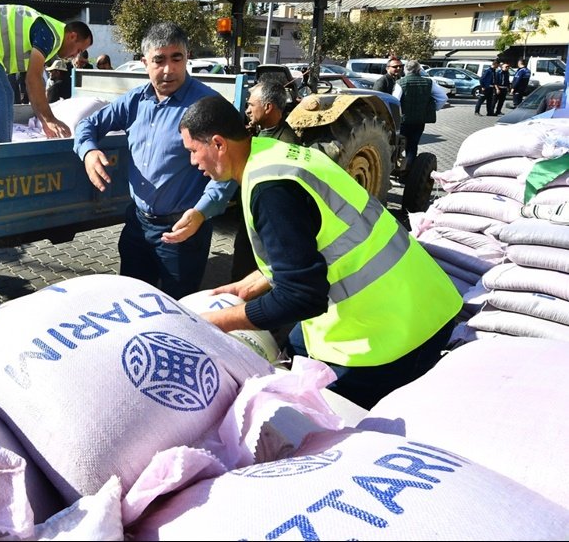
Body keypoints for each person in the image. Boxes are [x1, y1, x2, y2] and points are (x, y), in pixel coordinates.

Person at [178, 94, 461, 409]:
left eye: (193, 151)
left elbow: (301, 297)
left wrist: (217, 322)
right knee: (298, 344)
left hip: (396, 334)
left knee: (330, 417)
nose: (193, 162)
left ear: (218, 144)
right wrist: (248, 285)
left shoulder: (271, 191)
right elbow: (312, 241)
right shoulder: (271, 154)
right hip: (418, 295)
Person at [74, 21, 235, 299]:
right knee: (134, 302)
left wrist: (202, 213)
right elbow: (87, 126)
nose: (169, 69)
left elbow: (227, 169)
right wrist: (88, 151)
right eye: (159, 60)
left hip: (183, 230)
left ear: (187, 58)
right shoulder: (135, 101)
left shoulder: (208, 107)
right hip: (137, 225)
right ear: (144, 62)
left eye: (177, 58)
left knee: (178, 308)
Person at [0, 4, 93, 142]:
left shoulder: (50, 36)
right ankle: (2, 150)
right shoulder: (49, 35)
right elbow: (33, 79)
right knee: (4, 94)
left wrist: (44, 119)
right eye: (79, 50)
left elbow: (32, 82)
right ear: (72, 37)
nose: (76, 56)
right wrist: (49, 119)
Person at [231, 81, 300, 280]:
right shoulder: (262, 131)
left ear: (268, 107)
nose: (248, 110)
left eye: (251, 105)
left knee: (247, 271)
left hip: (266, 223)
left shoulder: (284, 143)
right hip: (252, 216)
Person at [392, 60, 438, 170]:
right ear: (419, 70)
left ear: (405, 70)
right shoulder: (429, 82)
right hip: (419, 121)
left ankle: (397, 168)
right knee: (412, 147)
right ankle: (408, 172)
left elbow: (395, 102)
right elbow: (442, 98)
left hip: (404, 121)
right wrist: (430, 109)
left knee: (398, 146)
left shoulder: (400, 82)